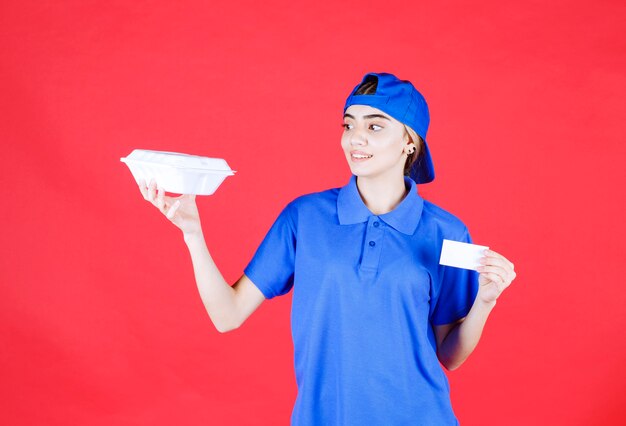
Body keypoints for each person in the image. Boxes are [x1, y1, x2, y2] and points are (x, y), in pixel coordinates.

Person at [138, 72, 516, 425]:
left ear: (409, 141)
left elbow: (449, 356)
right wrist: (192, 233)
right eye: (348, 124)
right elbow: (228, 316)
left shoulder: (447, 231)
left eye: (374, 126)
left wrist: (485, 302)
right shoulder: (305, 217)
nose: (355, 138)